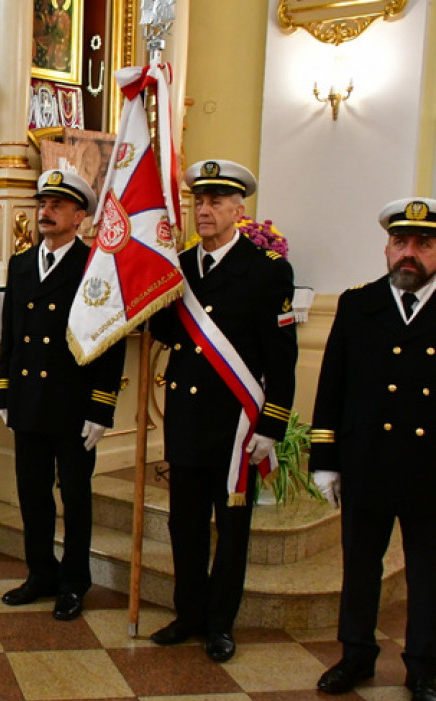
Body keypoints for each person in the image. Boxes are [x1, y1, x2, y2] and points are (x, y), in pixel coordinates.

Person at [148, 160, 297, 662]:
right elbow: (171, 334)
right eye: (199, 201)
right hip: (187, 422)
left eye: (216, 202)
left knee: (231, 531)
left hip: (236, 427)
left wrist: (272, 424)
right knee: (183, 525)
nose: (204, 210)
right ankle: (188, 613)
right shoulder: (181, 267)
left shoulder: (267, 270)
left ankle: (220, 624)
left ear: (239, 208)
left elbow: (283, 357)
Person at [311, 197, 436, 701]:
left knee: (429, 574)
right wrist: (325, 459)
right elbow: (332, 386)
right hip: (366, 461)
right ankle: (356, 655)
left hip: (431, 469)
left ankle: (425, 670)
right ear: (387, 247)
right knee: (361, 567)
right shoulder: (357, 305)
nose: (409, 254)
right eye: (400, 242)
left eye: (424, 245)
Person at [0, 169, 126, 621]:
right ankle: (40, 574)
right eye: (42, 204)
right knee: (32, 495)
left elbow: (110, 341)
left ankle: (74, 582)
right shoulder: (20, 264)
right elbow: (11, 333)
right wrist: (5, 391)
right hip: (29, 401)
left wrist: (101, 406)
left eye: (57, 205)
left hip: (72, 407)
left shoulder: (94, 267)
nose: (46, 212)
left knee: (74, 496)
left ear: (79, 216)